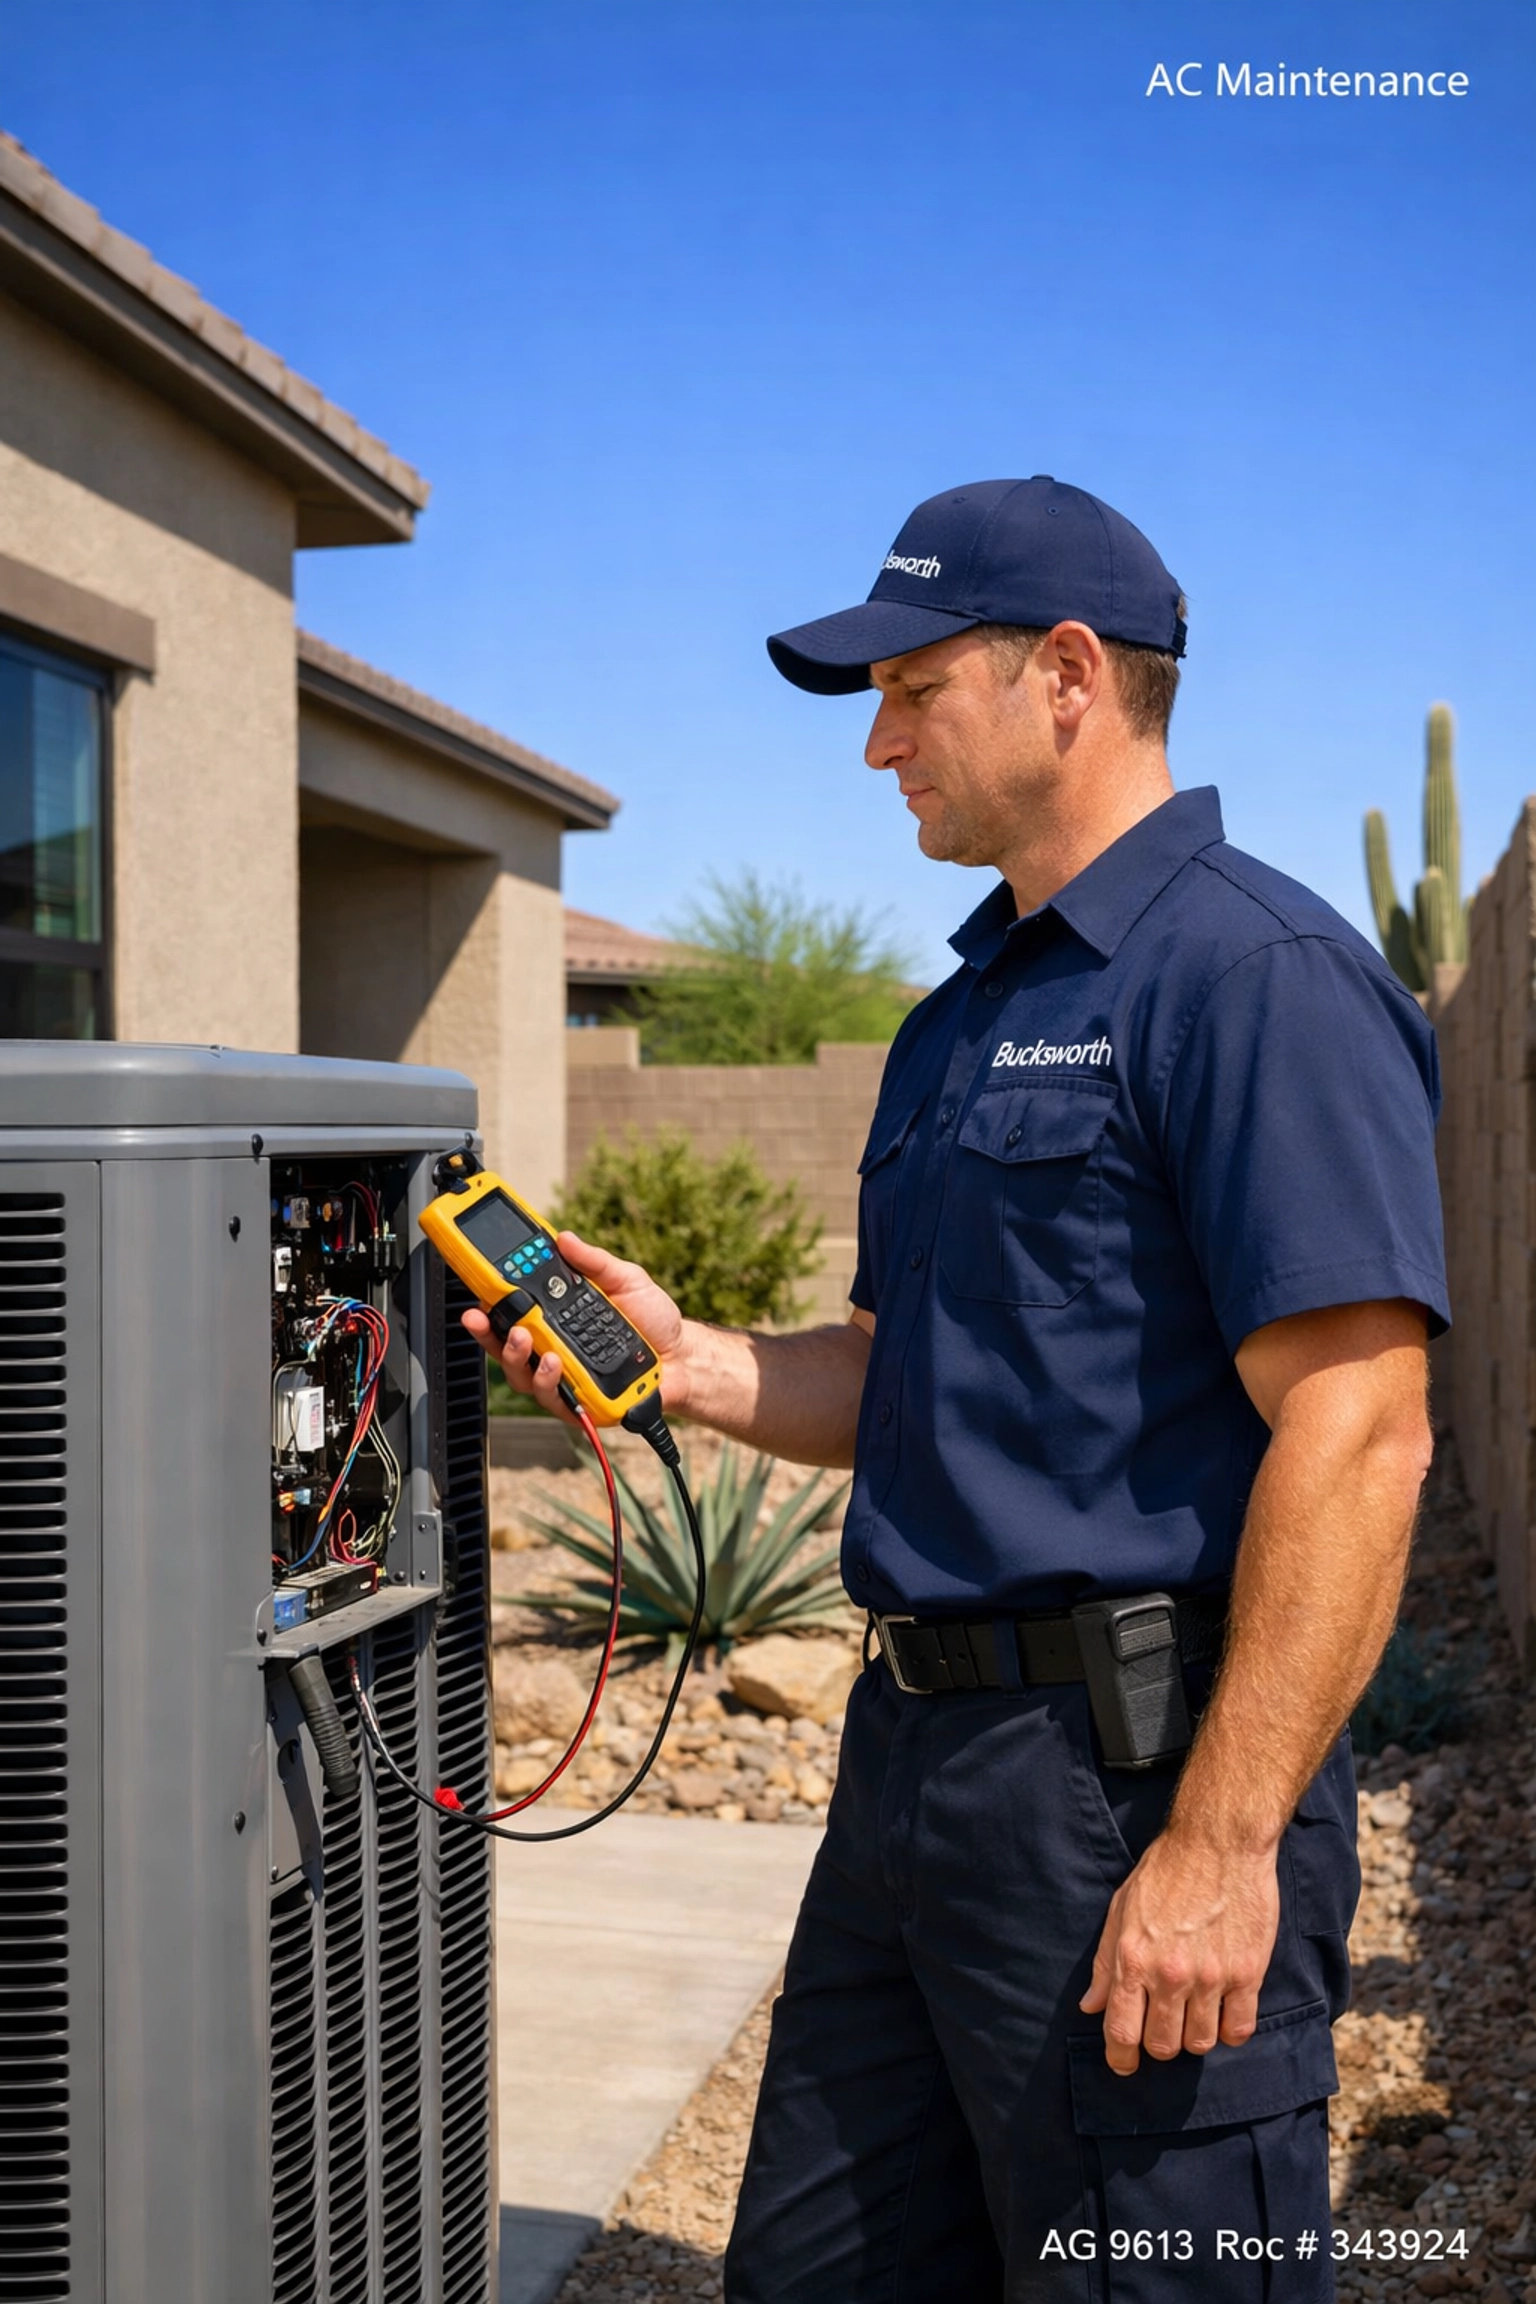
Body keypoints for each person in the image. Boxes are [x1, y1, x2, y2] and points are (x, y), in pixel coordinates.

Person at [469, 478, 1448, 2300]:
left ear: (1068, 676)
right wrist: (681, 1361)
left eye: (913, 691)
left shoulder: (1258, 980)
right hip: (913, 1779)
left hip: (1135, 1784)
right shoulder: (959, 1019)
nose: (877, 747)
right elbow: (897, 1372)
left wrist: (1222, 1851)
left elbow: (1364, 1427)